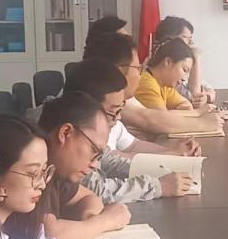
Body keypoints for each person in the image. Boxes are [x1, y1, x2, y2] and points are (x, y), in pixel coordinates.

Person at [64, 59, 195, 202]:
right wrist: (157, 186)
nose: (118, 118)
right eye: (113, 111)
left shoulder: (88, 134)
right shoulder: (71, 140)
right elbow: (97, 191)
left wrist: (171, 164)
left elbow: (112, 163)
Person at [36, 91, 133, 239]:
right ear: (65, 133)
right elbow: (49, 237)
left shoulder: (57, 169)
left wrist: (89, 218)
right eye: (94, 151)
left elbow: (88, 197)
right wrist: (105, 221)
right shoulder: (33, 167)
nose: (95, 164)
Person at [83, 31, 224, 136]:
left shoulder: (122, 98)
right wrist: (202, 121)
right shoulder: (107, 99)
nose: (140, 74)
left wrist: (173, 152)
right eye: (137, 68)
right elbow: (152, 119)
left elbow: (132, 146)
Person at [153, 15, 215, 106]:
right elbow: (193, 99)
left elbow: (209, 88)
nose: (191, 43)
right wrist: (196, 57)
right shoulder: (167, 68)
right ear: (170, 39)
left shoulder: (182, 62)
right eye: (186, 38)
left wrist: (207, 96)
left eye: (191, 38)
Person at [135, 38, 195, 110]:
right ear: (168, 62)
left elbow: (187, 106)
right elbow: (162, 116)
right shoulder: (146, 84)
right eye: (184, 70)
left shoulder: (165, 85)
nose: (184, 78)